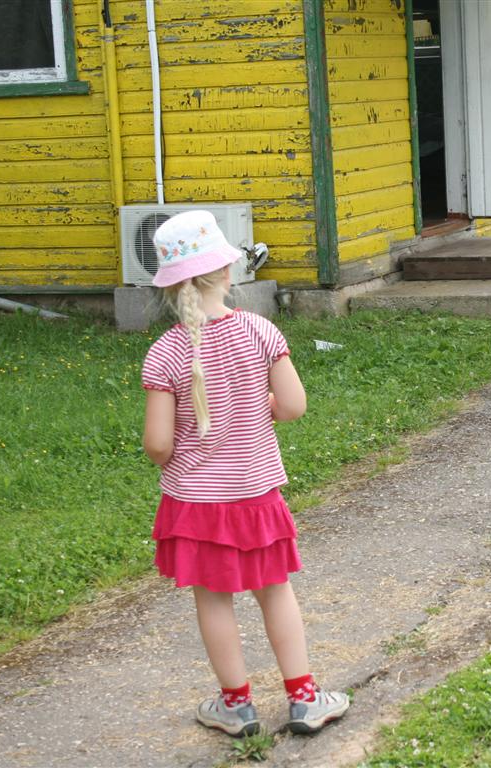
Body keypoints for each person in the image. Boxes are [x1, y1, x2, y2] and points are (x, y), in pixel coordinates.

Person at [140, 210, 349, 738]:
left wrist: (172, 456)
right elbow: (294, 406)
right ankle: (305, 698)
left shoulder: (164, 353)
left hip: (195, 505)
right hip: (254, 497)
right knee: (275, 591)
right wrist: (264, 409)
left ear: (170, 286)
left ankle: (235, 706)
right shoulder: (260, 331)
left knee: (213, 599)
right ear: (227, 272)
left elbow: (158, 445)